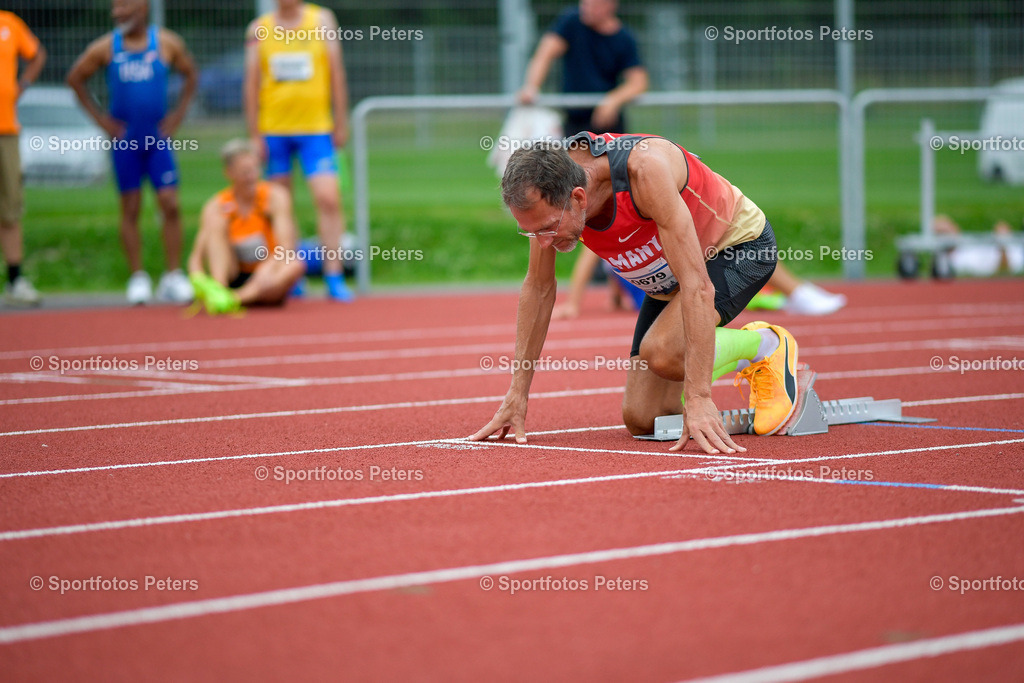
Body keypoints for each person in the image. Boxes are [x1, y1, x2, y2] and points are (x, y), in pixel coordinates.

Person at [470, 133, 801, 455]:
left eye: (546, 229)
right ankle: (693, 357)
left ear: (579, 198)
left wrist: (699, 397)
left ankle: (766, 346)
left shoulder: (644, 172)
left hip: (734, 248)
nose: (542, 241)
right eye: (530, 230)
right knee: (646, 419)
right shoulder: (547, 197)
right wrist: (517, 394)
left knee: (664, 352)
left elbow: (697, 286)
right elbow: (539, 289)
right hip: (667, 276)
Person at [67, 0, 197, 305]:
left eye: (124, 8)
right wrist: (102, 121)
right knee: (131, 206)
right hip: (125, 140)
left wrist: (178, 115)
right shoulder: (105, 48)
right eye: (114, 9)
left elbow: (190, 73)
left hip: (158, 138)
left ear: (142, 9)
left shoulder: (166, 42)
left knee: (170, 202)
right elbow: (75, 78)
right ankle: (138, 276)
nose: (117, 14)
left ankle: (173, 275)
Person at [244, 0, 353, 302]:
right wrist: (254, 133)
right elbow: (251, 83)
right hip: (274, 130)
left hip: (316, 130)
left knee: (328, 198)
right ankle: (291, 274)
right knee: (280, 205)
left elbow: (336, 74)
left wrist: (340, 122)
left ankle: (334, 273)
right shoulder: (258, 29)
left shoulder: (322, 19)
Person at [187, 139, 305, 315]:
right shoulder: (216, 205)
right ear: (229, 173)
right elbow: (196, 257)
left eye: (254, 170)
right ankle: (220, 290)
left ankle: (232, 299)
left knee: (294, 265)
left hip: (267, 277)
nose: (251, 177)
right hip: (234, 271)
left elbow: (286, 248)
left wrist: (268, 268)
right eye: (244, 172)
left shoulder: (276, 197)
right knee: (216, 220)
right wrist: (198, 279)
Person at [518, 0, 648, 136]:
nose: (586, 9)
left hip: (608, 122)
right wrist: (531, 86)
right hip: (574, 120)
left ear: (610, 6)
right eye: (584, 4)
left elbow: (638, 82)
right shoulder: (572, 22)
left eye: (593, 6)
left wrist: (613, 101)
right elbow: (544, 54)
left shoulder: (624, 39)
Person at [0, 11, 46, 306]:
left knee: (10, 205)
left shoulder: (9, 22)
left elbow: (37, 54)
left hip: (6, 129)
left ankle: (15, 280)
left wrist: (22, 85)